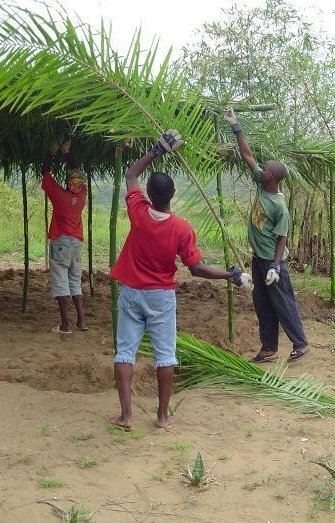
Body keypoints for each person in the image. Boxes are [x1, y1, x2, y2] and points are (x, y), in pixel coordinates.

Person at [109, 129, 252, 430]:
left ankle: (125, 415)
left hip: (131, 291)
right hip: (160, 297)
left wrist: (156, 150)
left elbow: (131, 174)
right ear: (172, 195)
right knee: (165, 356)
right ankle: (162, 416)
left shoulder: (138, 211)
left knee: (124, 351)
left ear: (149, 194)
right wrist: (231, 275)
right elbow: (197, 269)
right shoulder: (181, 229)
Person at [225, 108, 309, 363]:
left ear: (274, 178)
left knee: (283, 302)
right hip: (259, 258)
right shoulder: (262, 184)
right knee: (262, 303)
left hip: (273, 262)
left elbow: (282, 237)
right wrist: (236, 127)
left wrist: (275, 265)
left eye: (266, 171)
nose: (261, 171)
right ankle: (269, 347)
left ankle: (301, 344)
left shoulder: (279, 206)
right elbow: (247, 155)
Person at [41, 136, 88, 334]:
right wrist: (67, 153)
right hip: (76, 244)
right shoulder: (82, 194)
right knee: (74, 282)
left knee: (60, 282)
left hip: (61, 243)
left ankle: (65, 325)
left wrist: (51, 152)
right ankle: (82, 322)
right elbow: (76, 172)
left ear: (69, 183)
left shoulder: (60, 196)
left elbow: (45, 173)